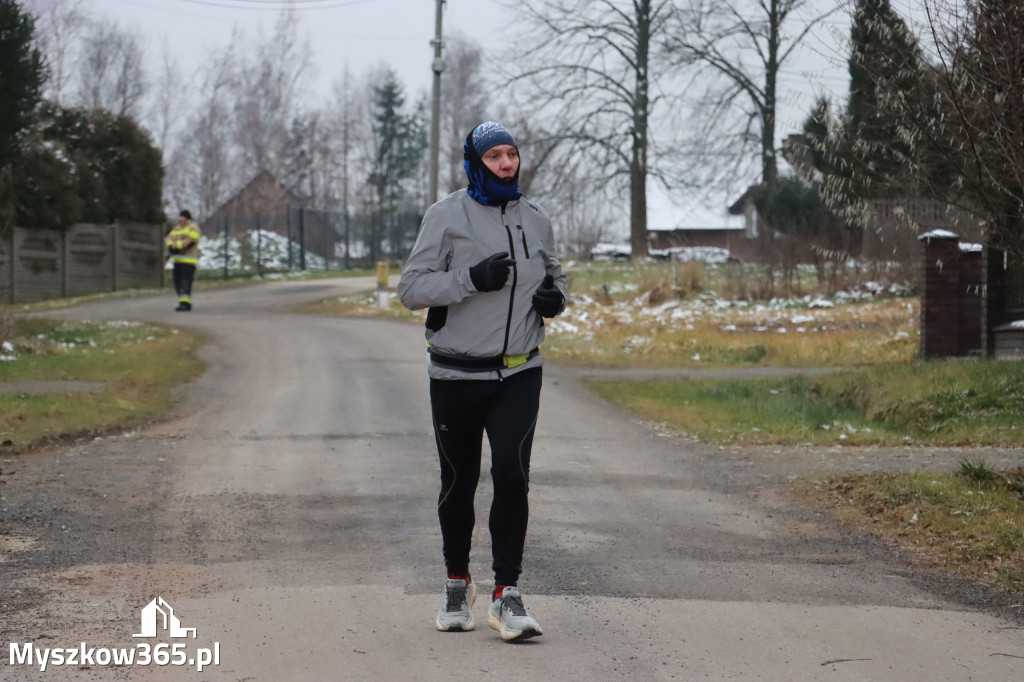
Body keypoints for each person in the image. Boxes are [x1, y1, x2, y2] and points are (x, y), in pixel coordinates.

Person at [399, 121, 567, 642]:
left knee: (514, 476)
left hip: (519, 370)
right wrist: (470, 281)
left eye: (511, 154)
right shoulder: (446, 216)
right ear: (475, 161)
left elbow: (554, 275)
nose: (506, 164)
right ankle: (456, 582)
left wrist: (555, 299)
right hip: (455, 372)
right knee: (460, 481)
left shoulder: (535, 219)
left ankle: (507, 595)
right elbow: (411, 288)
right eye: (494, 155)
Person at [166, 210, 201, 311]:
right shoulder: (176, 229)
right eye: (180, 216)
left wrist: (176, 246)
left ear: (187, 218)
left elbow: (191, 241)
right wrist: (171, 246)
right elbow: (169, 239)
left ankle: (184, 304)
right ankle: (185, 302)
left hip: (188, 261)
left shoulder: (193, 228)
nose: (181, 218)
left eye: (183, 217)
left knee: (185, 282)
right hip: (177, 261)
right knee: (178, 283)